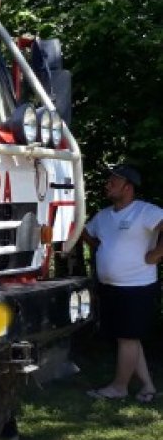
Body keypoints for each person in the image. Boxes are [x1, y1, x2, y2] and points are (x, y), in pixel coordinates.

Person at [82, 164, 163, 402]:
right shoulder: (104, 215)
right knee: (128, 337)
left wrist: (157, 254)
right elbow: (86, 233)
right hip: (110, 287)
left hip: (136, 287)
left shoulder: (145, 211)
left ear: (128, 187)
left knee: (127, 338)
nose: (107, 185)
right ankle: (147, 386)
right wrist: (100, 248)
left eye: (113, 182)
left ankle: (119, 387)